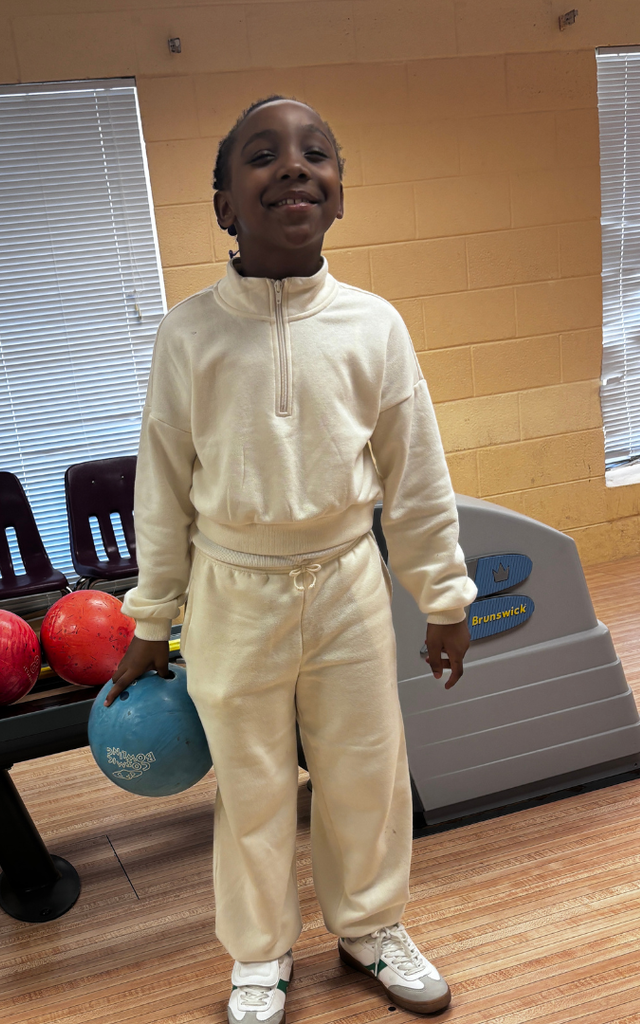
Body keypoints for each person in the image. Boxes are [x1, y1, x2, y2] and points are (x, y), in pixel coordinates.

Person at [106, 96, 477, 1023]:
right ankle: (261, 956)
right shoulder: (189, 334)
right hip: (231, 592)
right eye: (263, 157)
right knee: (253, 786)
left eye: (317, 154)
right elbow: (161, 485)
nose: (294, 167)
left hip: (347, 578)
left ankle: (370, 928)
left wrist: (443, 594)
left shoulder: (373, 326)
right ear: (226, 203)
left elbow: (416, 474)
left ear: (341, 195)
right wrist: (153, 618)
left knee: (366, 771)